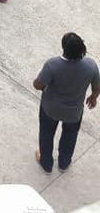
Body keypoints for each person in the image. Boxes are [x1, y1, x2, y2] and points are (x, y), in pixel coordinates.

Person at [33, 33, 100, 174]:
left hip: (50, 109)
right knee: (70, 135)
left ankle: (46, 163)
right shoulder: (91, 65)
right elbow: (97, 86)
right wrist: (93, 97)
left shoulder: (52, 65)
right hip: (74, 112)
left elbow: (38, 85)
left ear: (64, 48)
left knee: (46, 134)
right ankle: (64, 163)